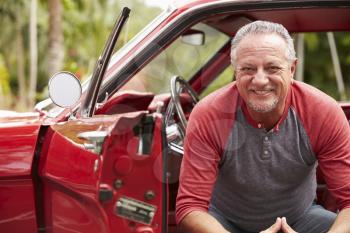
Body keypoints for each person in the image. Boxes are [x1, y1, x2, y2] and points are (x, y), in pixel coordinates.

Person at [175, 20, 350, 233]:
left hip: (302, 219)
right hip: (223, 224)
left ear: (292, 68)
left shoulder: (323, 112)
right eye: (248, 68)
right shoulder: (209, 114)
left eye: (272, 67)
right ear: (235, 71)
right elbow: (190, 207)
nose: (259, 80)